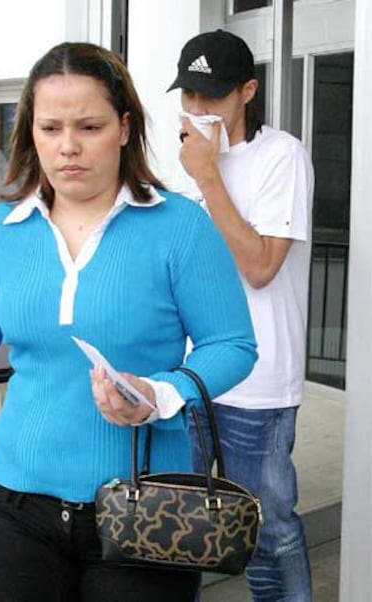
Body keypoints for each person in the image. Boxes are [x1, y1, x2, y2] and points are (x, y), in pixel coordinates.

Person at [0, 41, 258, 602]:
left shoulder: (180, 226)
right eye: (50, 128)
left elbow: (233, 344)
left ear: (124, 128)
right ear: (31, 134)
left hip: (147, 510)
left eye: (89, 126)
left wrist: (160, 393)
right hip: (11, 511)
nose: (68, 147)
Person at [167, 29, 314, 601]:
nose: (199, 110)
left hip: (260, 383)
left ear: (248, 91)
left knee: (269, 531)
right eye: (190, 96)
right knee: (183, 524)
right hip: (195, 376)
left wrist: (207, 175)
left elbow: (259, 267)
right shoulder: (179, 161)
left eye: (214, 96)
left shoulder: (283, 156)